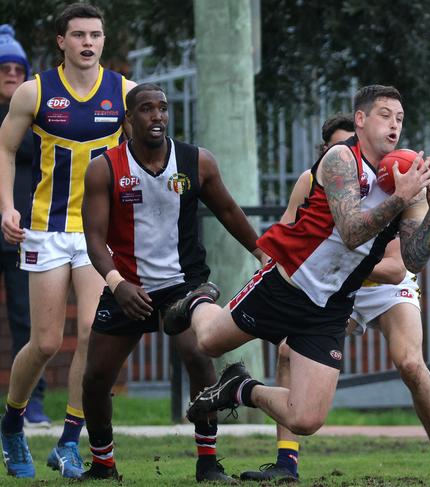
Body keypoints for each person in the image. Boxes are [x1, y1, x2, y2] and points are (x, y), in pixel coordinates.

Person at [162, 84, 430, 479]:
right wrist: (400, 198)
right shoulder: (341, 159)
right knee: (207, 342)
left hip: (330, 308)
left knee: (306, 419)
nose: (394, 124)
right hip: (287, 283)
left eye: (399, 118)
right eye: (384, 114)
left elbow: (414, 260)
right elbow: (350, 231)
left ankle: (238, 389)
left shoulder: (406, 177)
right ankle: (197, 301)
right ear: (360, 120)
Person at [240, 114, 430, 482]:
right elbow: (284, 238)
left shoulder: (395, 185)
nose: (355, 153)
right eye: (341, 146)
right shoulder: (313, 181)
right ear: (328, 153)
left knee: (409, 362)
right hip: (332, 288)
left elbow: (396, 268)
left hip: (380, 285)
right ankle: (287, 463)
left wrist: (340, 260)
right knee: (287, 351)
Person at [79, 83, 263, 482]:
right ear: (128, 120)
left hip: (185, 286)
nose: (157, 116)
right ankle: (103, 464)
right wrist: (116, 283)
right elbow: (93, 238)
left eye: (162, 108)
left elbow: (229, 211)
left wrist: (263, 253)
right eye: (146, 109)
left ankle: (208, 462)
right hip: (128, 286)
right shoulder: (104, 167)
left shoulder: (197, 162)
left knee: (199, 356)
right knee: (95, 377)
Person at [0, 4, 136, 479]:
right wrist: (6, 207)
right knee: (44, 342)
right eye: (78, 34)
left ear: (103, 40)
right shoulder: (34, 91)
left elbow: (148, 155)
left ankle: (67, 443)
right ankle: (13, 422)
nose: (88, 43)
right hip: (45, 227)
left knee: (91, 338)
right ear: (62, 41)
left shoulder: (126, 94)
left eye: (95, 35)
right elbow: (6, 147)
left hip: (97, 235)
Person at [0, 24, 50, 428]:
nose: (11, 73)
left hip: (22, 232)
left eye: (18, 67)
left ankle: (32, 403)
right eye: (4, 67)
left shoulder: (35, 114)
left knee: (28, 320)